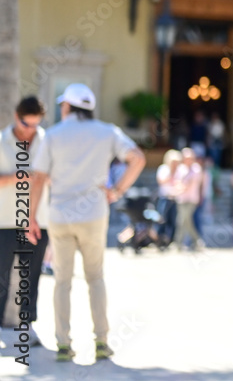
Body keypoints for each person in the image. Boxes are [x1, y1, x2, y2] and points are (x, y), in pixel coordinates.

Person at [27, 83, 146, 362]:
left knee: (62, 281)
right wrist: (116, 191)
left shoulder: (53, 135)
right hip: (94, 213)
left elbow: (39, 178)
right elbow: (138, 158)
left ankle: (64, 344)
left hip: (59, 215)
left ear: (66, 106)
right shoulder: (107, 132)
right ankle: (102, 342)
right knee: (95, 277)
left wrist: (31, 216)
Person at [0, 97, 49, 347]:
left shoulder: (47, 142)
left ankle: (27, 327)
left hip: (39, 221)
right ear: (16, 115)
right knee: (1, 276)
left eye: (34, 124)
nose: (29, 129)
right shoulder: (1, 141)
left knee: (32, 276)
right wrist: (22, 177)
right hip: (4, 221)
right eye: (25, 123)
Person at [172, 148, 204, 251]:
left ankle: (179, 243)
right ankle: (196, 241)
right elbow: (177, 182)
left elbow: (191, 182)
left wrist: (182, 186)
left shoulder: (196, 169)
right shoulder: (181, 169)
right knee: (185, 221)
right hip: (181, 198)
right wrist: (179, 187)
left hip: (191, 199)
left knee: (183, 220)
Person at [155, 149, 181, 246]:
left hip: (174, 199)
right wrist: (171, 172)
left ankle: (170, 241)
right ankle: (159, 240)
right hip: (164, 199)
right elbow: (161, 181)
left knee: (173, 221)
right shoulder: (164, 169)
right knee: (162, 220)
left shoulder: (179, 171)